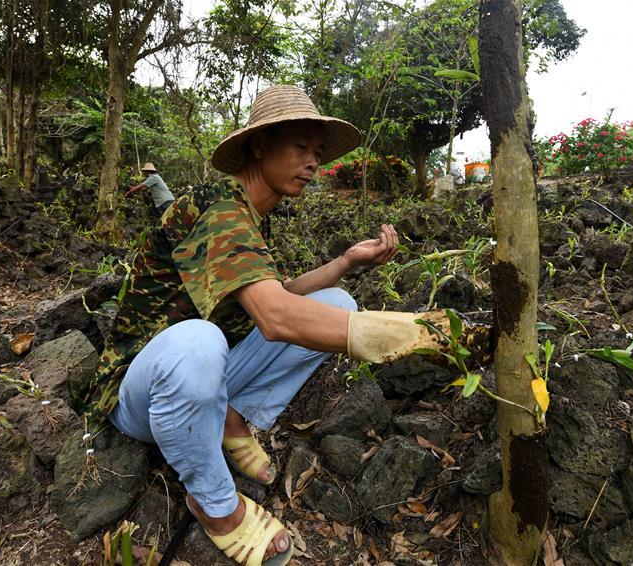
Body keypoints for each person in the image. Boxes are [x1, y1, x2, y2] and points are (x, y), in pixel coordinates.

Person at [86, 85, 452, 566]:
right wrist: (411, 332)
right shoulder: (217, 207)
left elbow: (279, 295)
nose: (313, 163)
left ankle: (232, 418)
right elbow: (276, 317)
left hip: (205, 376)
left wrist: (345, 261)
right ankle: (215, 504)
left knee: (335, 301)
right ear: (260, 146)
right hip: (145, 392)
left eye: (317, 153)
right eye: (301, 148)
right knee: (199, 341)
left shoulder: (252, 215)